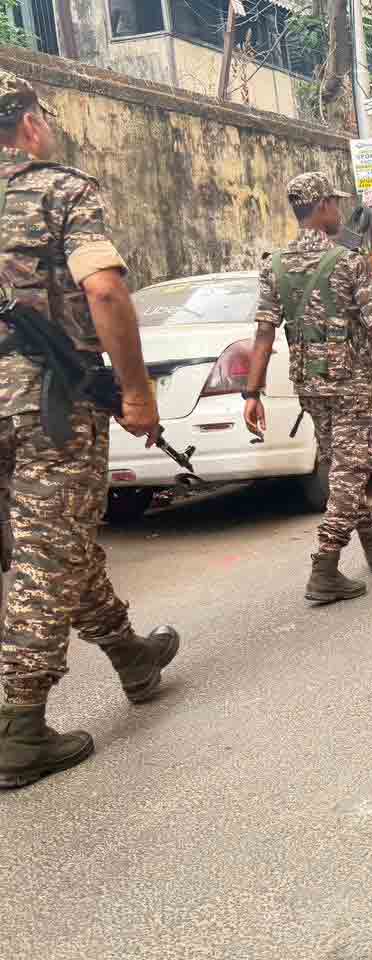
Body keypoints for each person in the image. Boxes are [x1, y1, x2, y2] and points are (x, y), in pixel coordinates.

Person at [0, 72, 180, 789]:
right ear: (31, 125)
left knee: (52, 541)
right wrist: (135, 392)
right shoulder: (60, 189)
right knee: (49, 551)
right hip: (46, 400)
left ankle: (132, 655)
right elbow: (103, 288)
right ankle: (20, 726)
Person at [244, 171, 372, 601]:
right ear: (324, 206)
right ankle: (325, 565)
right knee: (354, 467)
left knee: (340, 464)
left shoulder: (274, 264)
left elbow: (264, 334)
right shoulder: (350, 261)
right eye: (335, 202)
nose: (340, 210)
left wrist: (251, 394)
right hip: (350, 383)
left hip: (309, 384)